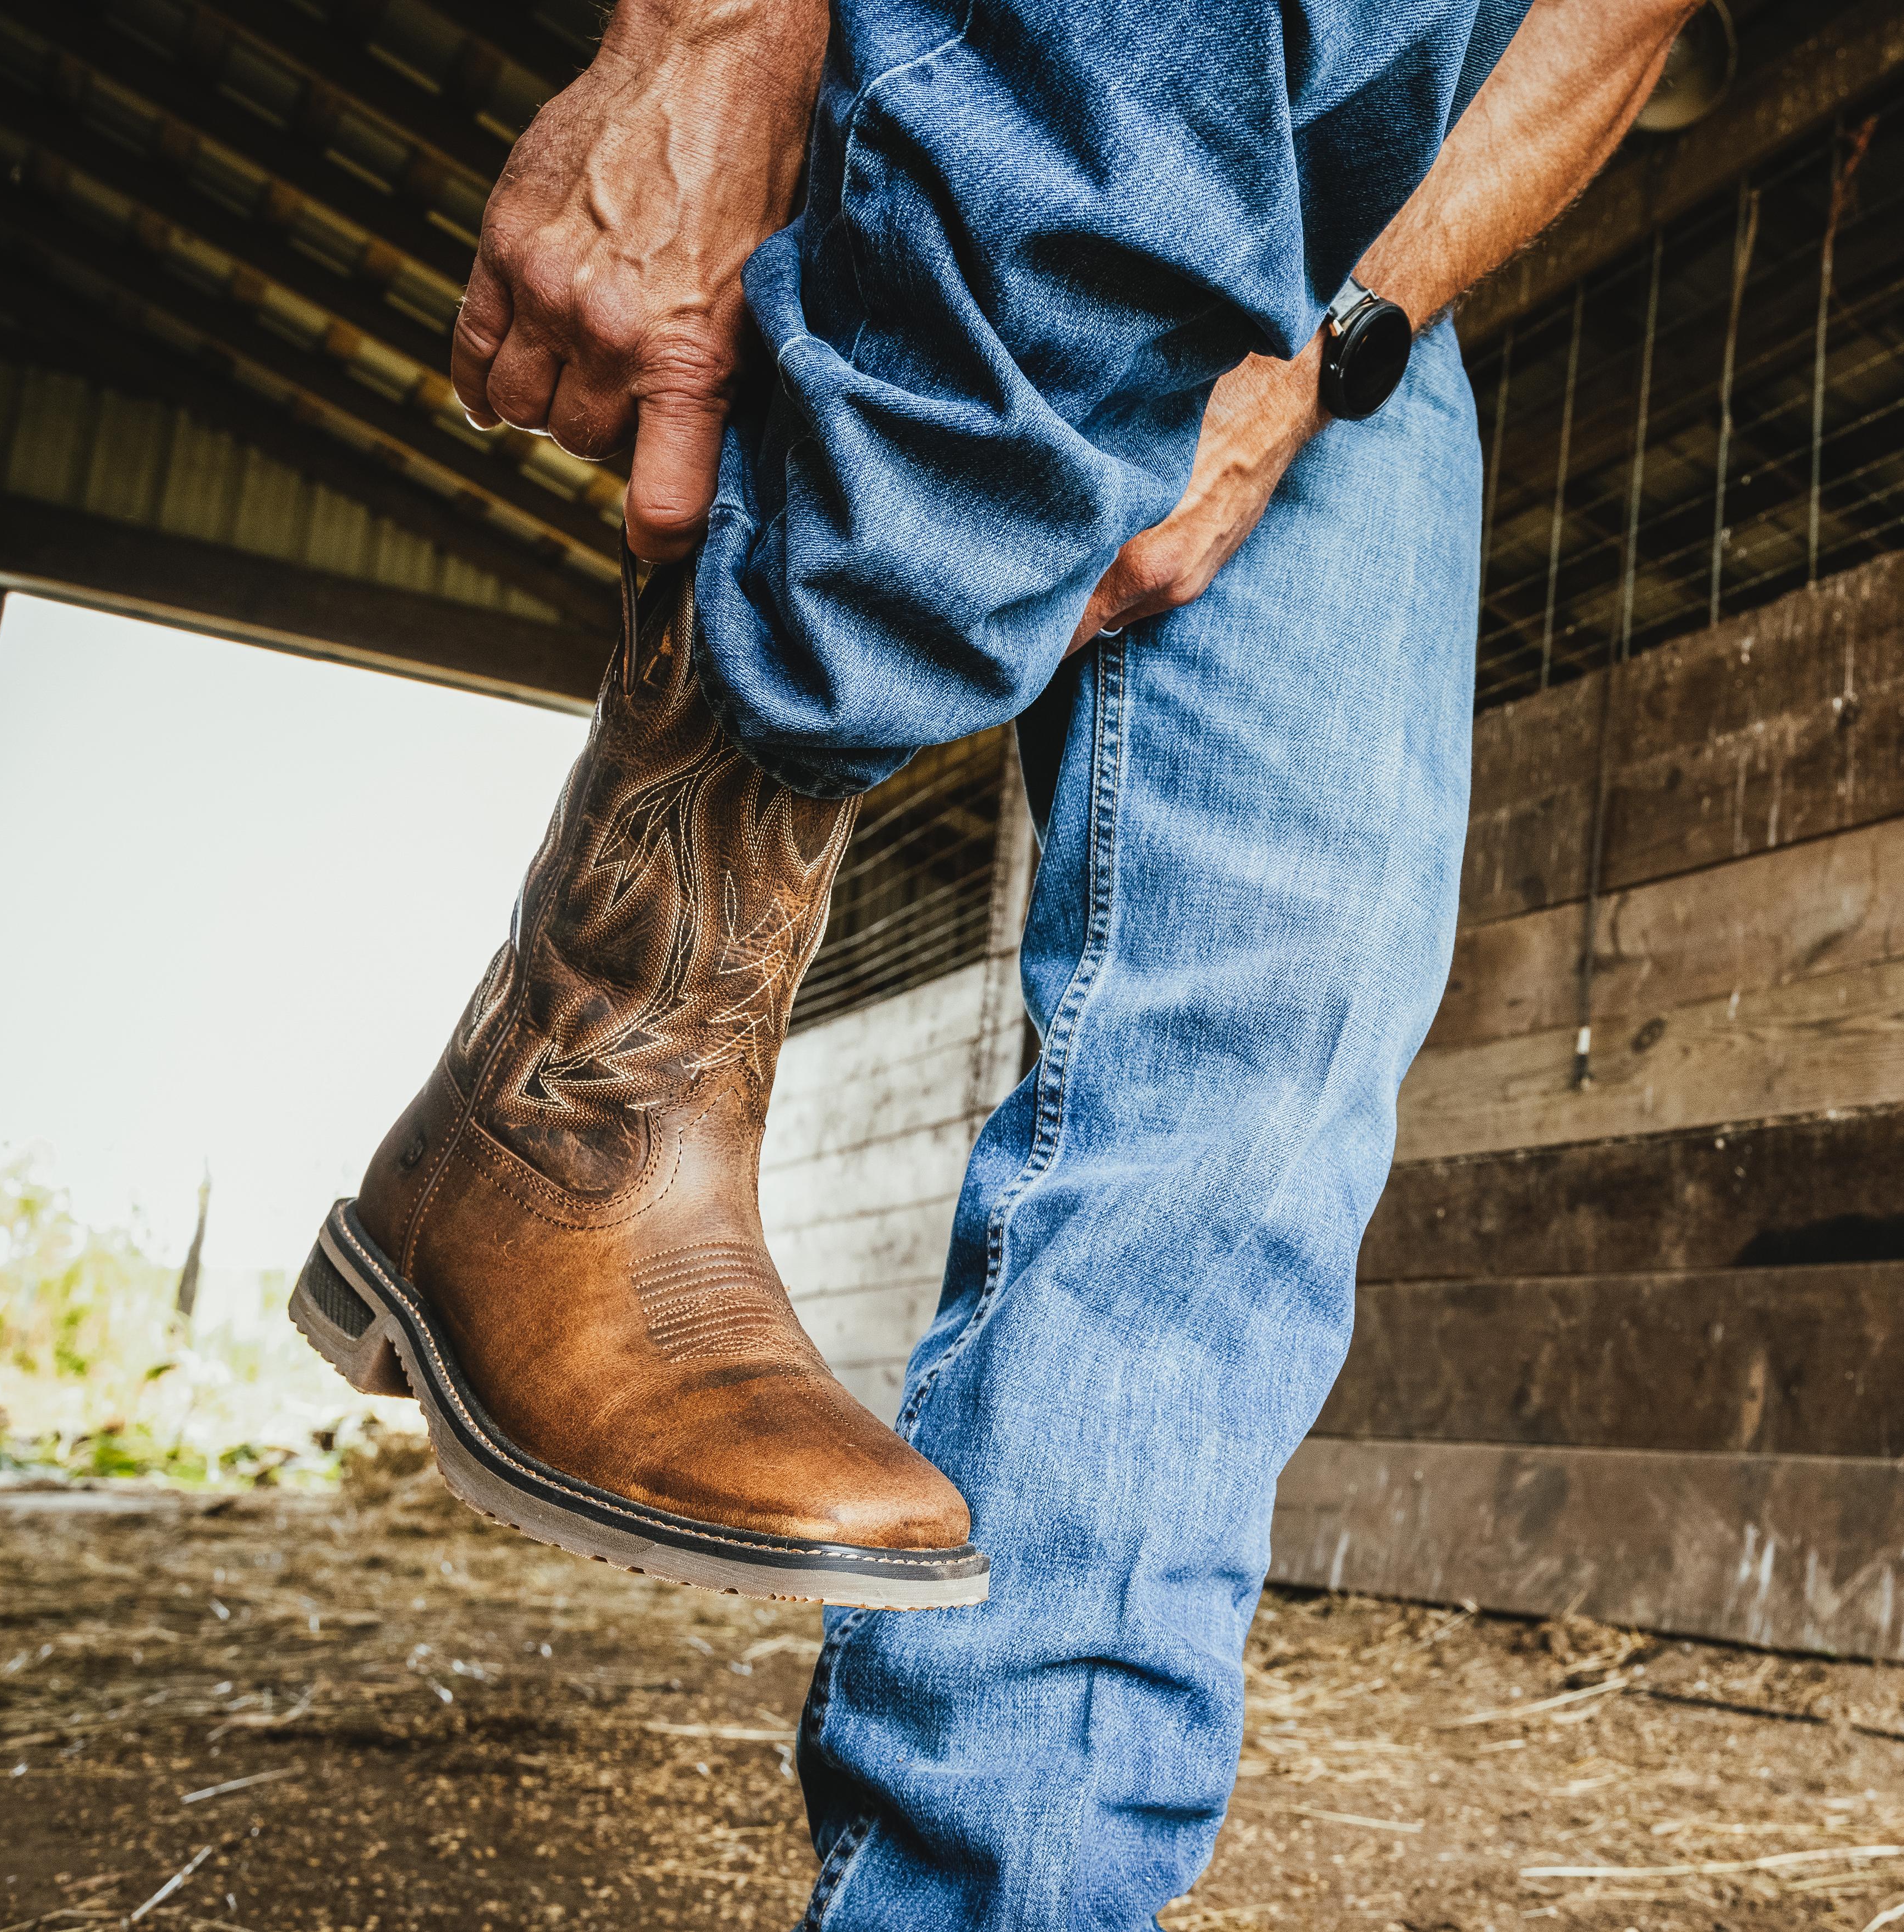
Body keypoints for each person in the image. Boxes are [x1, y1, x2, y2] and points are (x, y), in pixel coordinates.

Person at [289, 0, 1699, 1921]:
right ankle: (588, 1092)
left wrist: (1331, 342)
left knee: (1273, 1040)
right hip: (1084, 77)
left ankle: (1000, 1899)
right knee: (1130, 115)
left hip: (1361, 260)